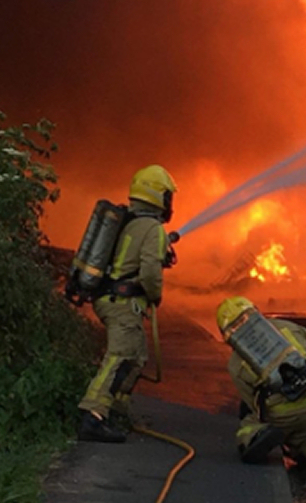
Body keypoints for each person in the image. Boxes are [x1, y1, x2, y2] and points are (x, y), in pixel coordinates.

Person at [77, 165, 177, 443]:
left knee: (136, 357)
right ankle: (92, 415)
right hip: (122, 302)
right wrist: (156, 295)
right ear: (157, 196)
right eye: (167, 196)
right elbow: (149, 273)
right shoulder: (153, 228)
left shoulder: (130, 222)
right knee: (120, 356)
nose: (170, 203)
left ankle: (115, 409)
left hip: (112, 299)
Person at [215, 296, 306, 471]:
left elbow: (253, 404)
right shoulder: (289, 327)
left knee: (250, 419)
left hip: (285, 417)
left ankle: (255, 437)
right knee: (305, 434)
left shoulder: (235, 364)